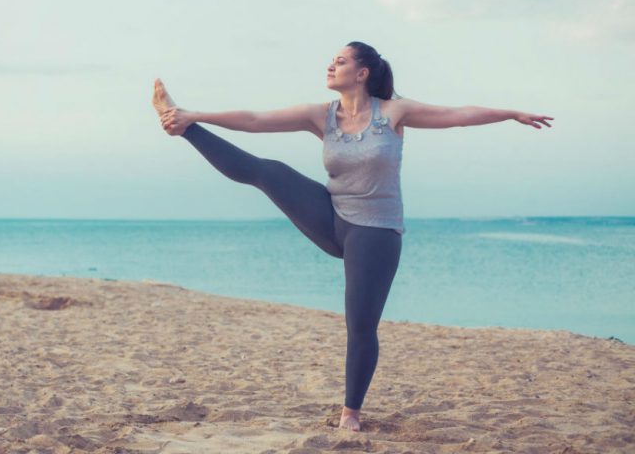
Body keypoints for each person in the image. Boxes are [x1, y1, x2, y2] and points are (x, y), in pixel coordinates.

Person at [151, 41, 553, 432]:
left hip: (375, 232)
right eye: (332, 60)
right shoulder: (321, 115)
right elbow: (255, 120)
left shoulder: (394, 112)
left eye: (339, 61)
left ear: (361, 73)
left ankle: (351, 411)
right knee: (268, 170)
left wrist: (510, 113)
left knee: (360, 324)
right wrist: (195, 115)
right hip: (332, 215)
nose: (330, 66)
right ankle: (182, 125)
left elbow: (458, 114)